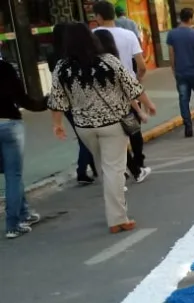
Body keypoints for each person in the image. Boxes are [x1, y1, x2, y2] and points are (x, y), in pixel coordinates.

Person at [48, 22, 156, 234]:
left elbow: (56, 99)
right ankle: (117, 218)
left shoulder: (62, 67)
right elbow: (132, 86)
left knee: (103, 168)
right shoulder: (108, 61)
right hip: (113, 124)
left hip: (84, 127)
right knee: (114, 170)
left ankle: (115, 211)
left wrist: (57, 124)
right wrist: (149, 104)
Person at [94, 0, 150, 183]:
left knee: (113, 132)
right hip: (129, 90)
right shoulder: (128, 35)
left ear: (99, 17)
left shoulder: (92, 36)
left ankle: (123, 166)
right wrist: (136, 80)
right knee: (133, 129)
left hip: (103, 92)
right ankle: (138, 163)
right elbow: (141, 65)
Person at [1, 53, 46, 239]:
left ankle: (24, 212)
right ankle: (13, 224)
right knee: (13, 174)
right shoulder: (5, 68)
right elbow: (21, 98)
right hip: (8, 123)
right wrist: (44, 103)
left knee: (9, 172)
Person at [47, 22, 97, 184]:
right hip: (78, 98)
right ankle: (82, 170)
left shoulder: (51, 55)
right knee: (86, 135)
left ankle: (92, 167)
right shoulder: (70, 54)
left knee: (82, 133)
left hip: (64, 100)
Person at [166, 7, 194, 138]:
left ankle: (188, 127)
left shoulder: (172, 34)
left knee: (184, 100)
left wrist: (173, 69)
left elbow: (171, 54)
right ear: (191, 18)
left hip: (181, 72)